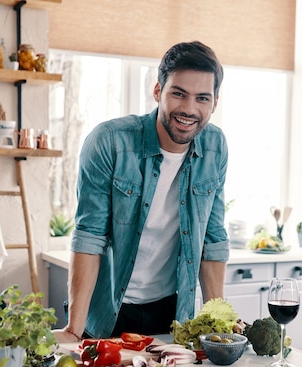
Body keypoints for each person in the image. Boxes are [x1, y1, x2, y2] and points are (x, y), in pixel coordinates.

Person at [54, 41, 229, 343]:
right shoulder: (109, 142)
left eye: (202, 98)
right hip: (109, 310)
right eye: (178, 93)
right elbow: (89, 236)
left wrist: (219, 325)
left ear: (214, 103)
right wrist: (74, 329)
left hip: (172, 312)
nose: (189, 109)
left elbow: (212, 240)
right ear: (158, 91)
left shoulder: (215, 146)